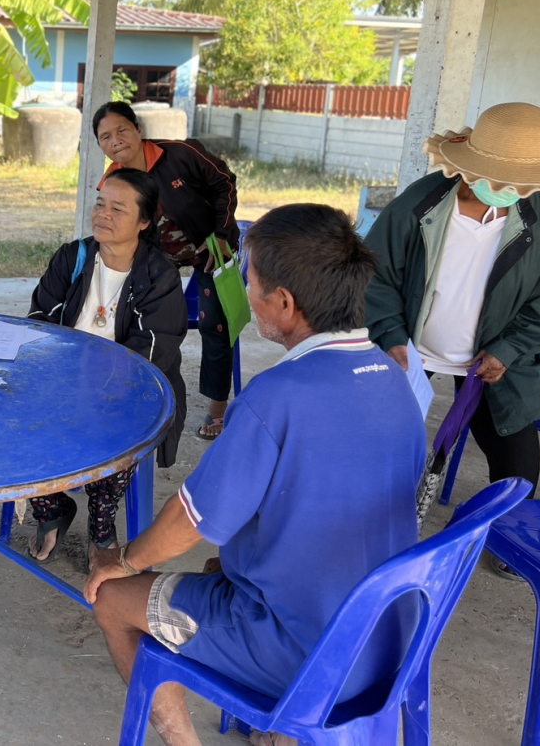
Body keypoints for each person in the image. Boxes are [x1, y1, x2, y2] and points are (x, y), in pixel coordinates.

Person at [85, 204, 426, 746]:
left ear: (284, 304)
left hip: (304, 652)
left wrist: (123, 563)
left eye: (250, 280)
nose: (245, 289)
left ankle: (186, 740)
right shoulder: (395, 380)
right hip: (389, 638)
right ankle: (284, 735)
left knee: (110, 599)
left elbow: (188, 524)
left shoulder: (275, 397)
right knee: (228, 562)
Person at [365, 103, 540, 522]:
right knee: (374, 445)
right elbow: (375, 279)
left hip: (494, 359)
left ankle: (508, 538)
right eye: (501, 179)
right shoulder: (420, 205)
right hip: (411, 351)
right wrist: (394, 340)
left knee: (519, 473)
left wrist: (507, 351)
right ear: (468, 167)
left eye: (523, 183)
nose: (511, 190)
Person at [27, 168, 187, 570]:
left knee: (118, 426)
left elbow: (150, 355)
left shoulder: (158, 277)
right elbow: (38, 322)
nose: (103, 214)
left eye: (118, 208)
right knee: (15, 421)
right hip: (64, 383)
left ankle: (101, 523)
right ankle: (52, 507)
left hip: (128, 390)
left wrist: (92, 386)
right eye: (100, 203)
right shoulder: (73, 257)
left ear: (145, 222)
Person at [91, 101, 239, 448]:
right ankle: (152, 400)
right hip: (160, 261)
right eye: (105, 137)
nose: (116, 141)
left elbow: (224, 183)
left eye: (121, 130)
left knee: (215, 323)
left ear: (138, 129)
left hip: (209, 249)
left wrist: (222, 232)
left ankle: (217, 408)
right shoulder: (113, 180)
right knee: (150, 326)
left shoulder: (181, 154)